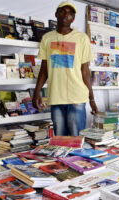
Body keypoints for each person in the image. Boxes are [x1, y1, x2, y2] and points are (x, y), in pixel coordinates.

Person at [32, 1, 98, 136]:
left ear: (73, 18)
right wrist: (36, 93)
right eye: (62, 11)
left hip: (77, 97)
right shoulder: (47, 38)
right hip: (56, 97)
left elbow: (85, 71)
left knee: (76, 138)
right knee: (60, 140)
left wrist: (91, 99)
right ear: (56, 14)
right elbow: (44, 69)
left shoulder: (82, 38)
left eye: (70, 13)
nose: (66, 15)